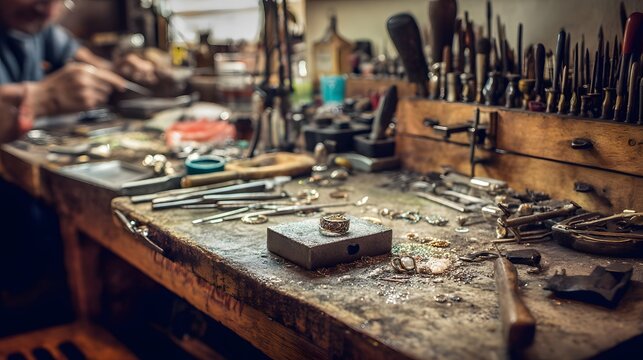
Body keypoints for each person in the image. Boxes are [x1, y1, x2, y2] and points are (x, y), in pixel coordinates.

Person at [0, 0, 158, 142]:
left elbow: (91, 63)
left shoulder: (39, 28)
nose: (48, 11)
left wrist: (122, 72)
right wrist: (41, 98)